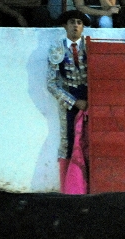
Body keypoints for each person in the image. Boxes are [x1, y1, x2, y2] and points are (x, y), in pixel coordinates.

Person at [46, 10, 89, 192]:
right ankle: (71, 189)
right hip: (70, 100)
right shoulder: (57, 48)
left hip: (92, 98)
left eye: (79, 22)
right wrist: (74, 102)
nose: (75, 25)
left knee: (92, 141)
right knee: (69, 141)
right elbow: (52, 84)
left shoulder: (90, 47)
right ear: (65, 26)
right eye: (72, 22)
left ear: (83, 27)